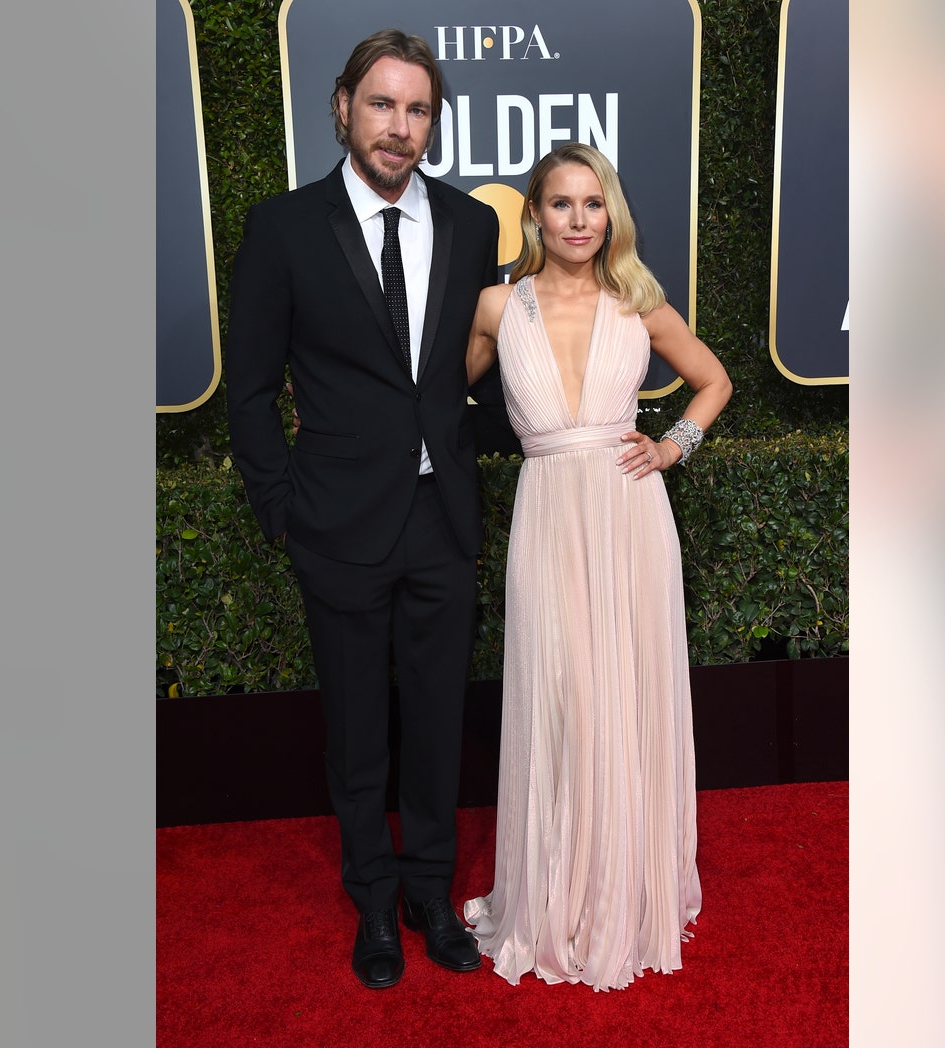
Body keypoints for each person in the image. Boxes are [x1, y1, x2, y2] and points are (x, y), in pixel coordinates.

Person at [224, 29, 501, 990]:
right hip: (334, 523)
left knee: (434, 721)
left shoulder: (472, 228)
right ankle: (373, 900)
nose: (399, 127)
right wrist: (282, 512)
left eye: (418, 109)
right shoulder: (283, 228)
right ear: (341, 107)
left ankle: (430, 891)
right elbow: (249, 391)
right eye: (381, 104)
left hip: (441, 518)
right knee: (356, 732)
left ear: (434, 123)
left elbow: (489, 368)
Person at [462, 143, 733, 990]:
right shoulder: (496, 306)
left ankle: (626, 885)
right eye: (559, 204)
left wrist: (671, 446)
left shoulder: (639, 303)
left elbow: (714, 381)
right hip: (547, 514)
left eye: (592, 204)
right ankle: (556, 891)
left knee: (622, 691)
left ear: (608, 213)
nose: (577, 221)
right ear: (534, 215)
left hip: (626, 517)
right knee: (562, 694)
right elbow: (437, 400)